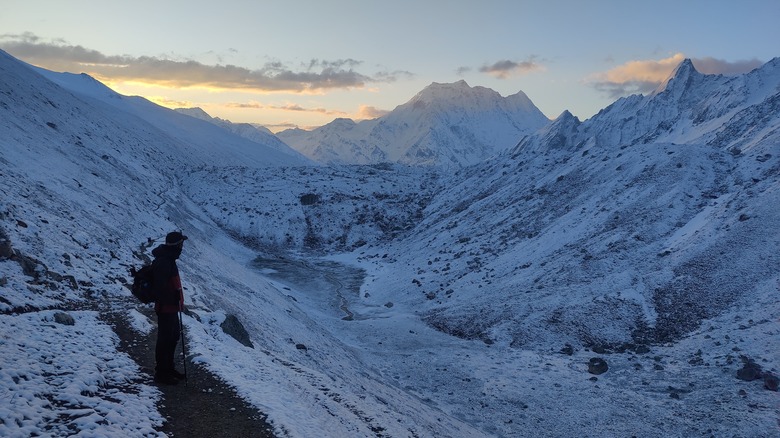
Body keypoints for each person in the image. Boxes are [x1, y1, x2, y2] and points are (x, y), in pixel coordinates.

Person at [151, 231, 187, 385]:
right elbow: (159, 288)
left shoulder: (169, 259)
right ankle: (162, 374)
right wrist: (174, 299)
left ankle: (169, 368)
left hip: (171, 308)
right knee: (165, 340)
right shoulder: (164, 262)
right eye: (181, 244)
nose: (182, 247)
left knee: (173, 338)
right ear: (177, 245)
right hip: (166, 308)